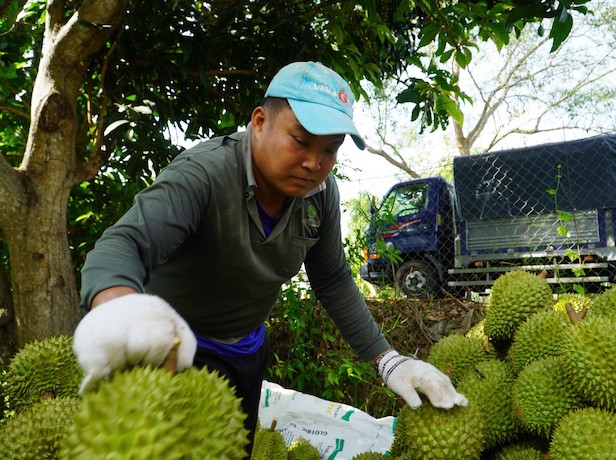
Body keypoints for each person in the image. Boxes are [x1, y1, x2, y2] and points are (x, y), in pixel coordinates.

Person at [76, 61, 468, 457]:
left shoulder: (320, 195)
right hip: (170, 352)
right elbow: (124, 244)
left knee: (235, 450)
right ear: (260, 122)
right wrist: (121, 311)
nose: (314, 163)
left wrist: (388, 360)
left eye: (330, 150)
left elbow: (332, 279)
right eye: (300, 141)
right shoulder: (204, 174)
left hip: (246, 349)